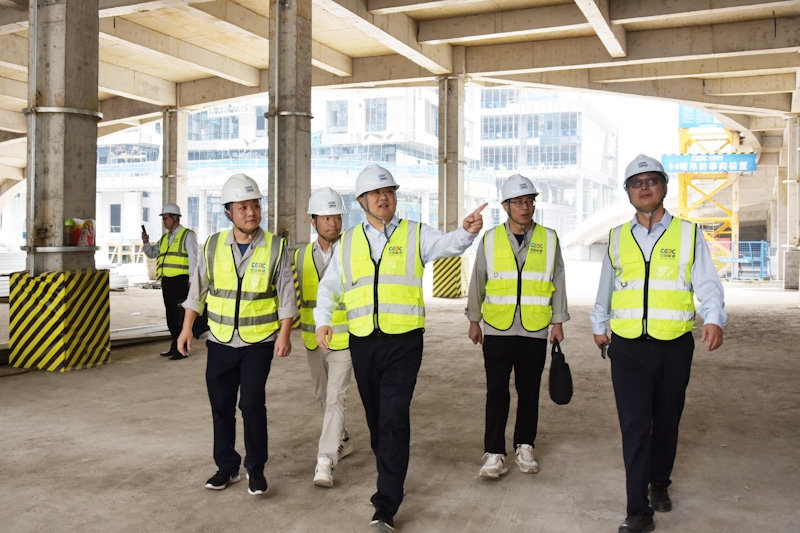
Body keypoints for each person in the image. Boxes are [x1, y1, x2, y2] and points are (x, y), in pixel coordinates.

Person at [314, 164, 487, 532]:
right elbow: (329, 286)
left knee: (393, 415)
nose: (384, 198)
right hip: (363, 342)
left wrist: (467, 232)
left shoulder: (414, 234)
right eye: (376, 193)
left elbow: (449, 243)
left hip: (405, 342)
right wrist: (323, 319)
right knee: (377, 418)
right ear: (362, 201)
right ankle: (388, 469)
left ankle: (386, 501)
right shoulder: (347, 243)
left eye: (389, 191)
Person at [590, 154, 726, 533]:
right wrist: (599, 323)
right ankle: (638, 511)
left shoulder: (688, 234)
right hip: (628, 347)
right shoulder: (617, 237)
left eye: (652, 180)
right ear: (628, 192)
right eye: (636, 183)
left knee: (667, 420)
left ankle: (659, 482)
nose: (644, 187)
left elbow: (707, 283)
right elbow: (606, 287)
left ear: (664, 186)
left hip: (674, 344)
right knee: (634, 427)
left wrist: (713, 317)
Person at [176, 173, 297, 496]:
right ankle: (226, 467)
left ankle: (255, 469)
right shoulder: (213, 245)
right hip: (220, 339)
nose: (251, 212)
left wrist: (284, 334)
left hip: (259, 340)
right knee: (221, 405)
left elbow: (287, 295)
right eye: (243, 207)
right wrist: (186, 329)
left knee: (252, 403)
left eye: (255, 205)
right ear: (228, 212)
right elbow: (198, 291)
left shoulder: (275, 247)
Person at [465, 174, 569, 479]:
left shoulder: (549, 238)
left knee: (529, 391)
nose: (525, 207)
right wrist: (474, 320)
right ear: (506, 206)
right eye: (518, 202)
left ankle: (525, 445)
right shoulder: (491, 239)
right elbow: (478, 279)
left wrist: (558, 321)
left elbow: (559, 280)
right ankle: (494, 451)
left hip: (534, 329)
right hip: (497, 328)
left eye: (529, 201)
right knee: (496, 391)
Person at [294, 187, 355, 488]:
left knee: (335, 397)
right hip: (313, 340)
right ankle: (343, 438)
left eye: (338, 217)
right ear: (313, 221)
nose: (333, 223)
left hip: (345, 339)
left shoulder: (353, 252)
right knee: (322, 395)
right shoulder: (301, 256)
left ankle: (325, 460)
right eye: (327, 218)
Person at [142, 203, 198, 360]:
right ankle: (175, 345)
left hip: (181, 282)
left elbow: (194, 259)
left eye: (166, 218)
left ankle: (182, 349)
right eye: (163, 219)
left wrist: (192, 280)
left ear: (175, 218)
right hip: (167, 281)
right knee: (171, 315)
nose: (164, 222)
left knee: (180, 316)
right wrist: (146, 243)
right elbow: (152, 253)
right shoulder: (165, 238)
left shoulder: (187, 235)